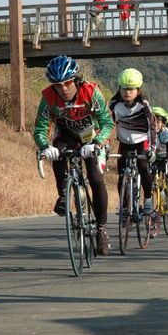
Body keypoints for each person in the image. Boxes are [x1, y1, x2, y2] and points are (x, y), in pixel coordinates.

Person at [34, 55, 114, 255]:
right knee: (57, 152)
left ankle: (102, 230)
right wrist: (44, 146)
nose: (63, 89)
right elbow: (40, 128)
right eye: (58, 85)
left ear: (75, 80)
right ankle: (63, 195)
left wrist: (96, 143)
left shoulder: (91, 92)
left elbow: (106, 123)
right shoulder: (48, 97)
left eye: (67, 83)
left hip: (90, 137)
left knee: (96, 179)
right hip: (66, 135)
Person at [109, 68, 157, 218]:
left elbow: (152, 126)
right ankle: (124, 206)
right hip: (124, 142)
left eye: (131, 89)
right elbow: (105, 122)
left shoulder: (144, 105)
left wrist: (153, 148)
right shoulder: (114, 103)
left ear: (138, 90)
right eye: (124, 88)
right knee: (122, 174)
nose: (127, 92)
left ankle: (148, 200)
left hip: (141, 142)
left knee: (143, 167)